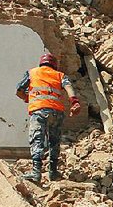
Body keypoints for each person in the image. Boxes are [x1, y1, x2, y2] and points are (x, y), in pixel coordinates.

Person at [15, 53, 81, 183]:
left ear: (41, 63)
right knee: (54, 141)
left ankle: (36, 172)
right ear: (54, 64)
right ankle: (53, 172)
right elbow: (68, 87)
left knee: (37, 139)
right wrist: (74, 102)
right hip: (56, 112)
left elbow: (19, 90)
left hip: (39, 110)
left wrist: (26, 98)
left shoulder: (32, 73)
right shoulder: (59, 75)